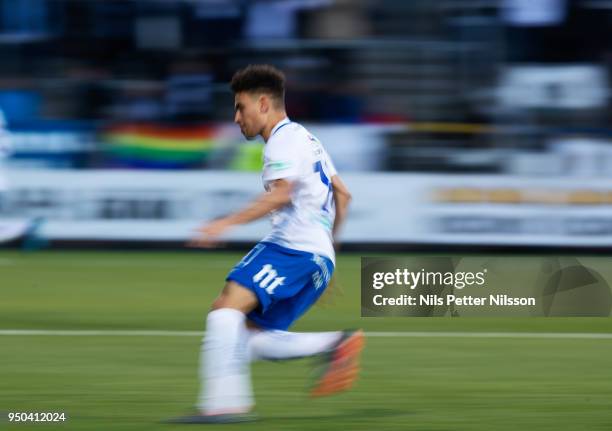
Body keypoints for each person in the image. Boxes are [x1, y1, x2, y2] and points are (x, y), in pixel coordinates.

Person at [173, 64, 363, 424]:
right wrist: (328, 257)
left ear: (263, 104)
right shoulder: (308, 139)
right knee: (247, 336)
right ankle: (334, 344)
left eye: (240, 107)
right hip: (315, 256)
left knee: (226, 307)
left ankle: (223, 406)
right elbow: (344, 194)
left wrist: (223, 224)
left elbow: (280, 196)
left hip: (292, 247)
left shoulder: (283, 140)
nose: (235, 118)